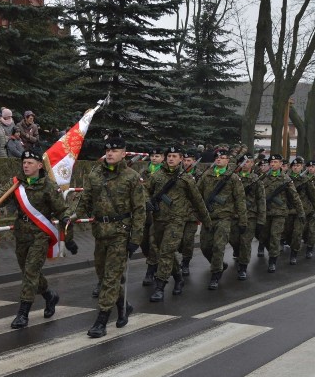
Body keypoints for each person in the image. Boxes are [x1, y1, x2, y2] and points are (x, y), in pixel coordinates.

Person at [0, 149, 70, 330]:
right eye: (24, 162)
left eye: (30, 162)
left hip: (40, 234)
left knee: (31, 272)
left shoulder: (48, 186)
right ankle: (49, 295)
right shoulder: (16, 183)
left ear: (39, 165)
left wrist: (67, 225)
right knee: (28, 272)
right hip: (22, 234)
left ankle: (23, 313)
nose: (26, 165)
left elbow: (62, 209)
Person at [73, 131, 146, 337]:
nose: (110, 153)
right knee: (104, 276)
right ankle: (123, 306)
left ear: (124, 153)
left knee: (111, 278)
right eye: (108, 150)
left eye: (114, 150)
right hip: (100, 232)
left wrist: (136, 239)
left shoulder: (131, 177)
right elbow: (85, 200)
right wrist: (72, 217)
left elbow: (140, 210)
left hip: (120, 234)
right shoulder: (95, 174)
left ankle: (101, 321)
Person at [145, 146, 211, 301]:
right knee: (162, 251)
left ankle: (160, 286)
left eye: (174, 156)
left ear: (180, 158)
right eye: (169, 156)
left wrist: (207, 221)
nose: (171, 158)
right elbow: (145, 191)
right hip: (158, 219)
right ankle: (179, 277)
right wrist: (148, 202)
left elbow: (198, 201)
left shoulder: (186, 178)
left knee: (167, 251)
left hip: (177, 221)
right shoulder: (157, 175)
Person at [196, 147, 247, 288]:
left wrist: (243, 220)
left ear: (228, 160)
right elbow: (197, 194)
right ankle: (218, 264)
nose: (219, 159)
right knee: (205, 247)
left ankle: (215, 275)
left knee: (219, 247)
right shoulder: (207, 175)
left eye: (222, 157)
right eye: (217, 157)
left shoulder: (233, 178)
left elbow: (240, 200)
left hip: (224, 218)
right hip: (208, 217)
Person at [261, 154, 303, 272]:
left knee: (275, 236)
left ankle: (272, 261)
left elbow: (295, 197)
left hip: (280, 213)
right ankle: (272, 251)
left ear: (280, 164)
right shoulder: (264, 178)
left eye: (275, 162)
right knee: (263, 236)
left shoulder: (286, 179)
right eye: (271, 162)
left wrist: (301, 212)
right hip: (266, 212)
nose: (273, 164)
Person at [231, 154, 265, 278]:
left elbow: (261, 200)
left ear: (252, 164)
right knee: (233, 239)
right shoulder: (232, 178)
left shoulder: (256, 180)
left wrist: (261, 220)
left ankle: (243, 267)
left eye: (248, 162)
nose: (245, 164)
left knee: (245, 242)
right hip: (234, 215)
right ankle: (237, 250)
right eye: (243, 162)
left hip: (250, 216)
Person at [140, 147, 164, 285]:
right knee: (144, 244)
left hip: (159, 213)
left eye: (158, 156)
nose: (154, 158)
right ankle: (155, 263)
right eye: (153, 156)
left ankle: (151, 270)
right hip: (144, 214)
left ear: (163, 158)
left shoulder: (165, 173)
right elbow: (140, 189)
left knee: (154, 243)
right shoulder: (144, 172)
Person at [178, 148, 203, 276]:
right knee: (179, 241)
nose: (186, 163)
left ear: (194, 162)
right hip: (177, 213)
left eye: (189, 160)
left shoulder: (200, 175)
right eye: (185, 160)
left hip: (192, 213)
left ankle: (186, 262)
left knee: (188, 239)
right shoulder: (178, 174)